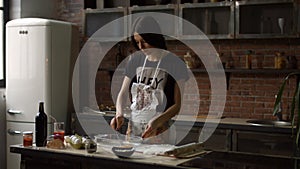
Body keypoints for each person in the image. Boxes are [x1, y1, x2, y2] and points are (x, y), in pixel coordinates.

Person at [110, 15, 188, 144]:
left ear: (154, 38)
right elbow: (123, 93)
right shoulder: (135, 60)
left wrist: (157, 121)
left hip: (160, 128)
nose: (141, 46)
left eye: (144, 41)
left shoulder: (175, 64)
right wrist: (119, 113)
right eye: (137, 42)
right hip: (133, 127)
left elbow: (177, 105)